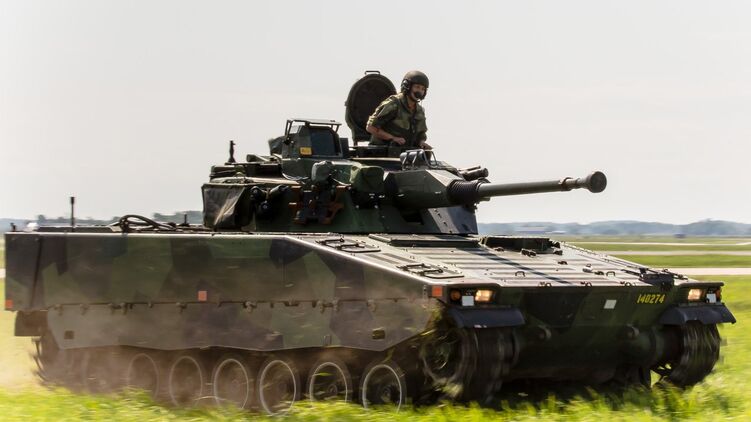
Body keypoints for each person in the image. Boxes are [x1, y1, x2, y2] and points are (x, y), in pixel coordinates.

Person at [366, 70, 431, 149]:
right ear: (407, 86)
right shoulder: (393, 104)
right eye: (417, 87)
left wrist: (421, 142)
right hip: (381, 151)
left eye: (423, 89)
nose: (420, 91)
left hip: (406, 153)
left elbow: (421, 135)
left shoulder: (419, 111)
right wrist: (392, 138)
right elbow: (370, 127)